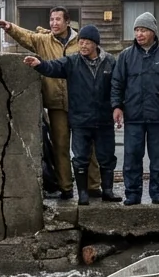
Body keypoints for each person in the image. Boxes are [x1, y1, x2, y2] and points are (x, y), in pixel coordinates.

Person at [0, 8, 99, 200]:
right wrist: (10, 27)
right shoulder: (44, 40)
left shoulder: (81, 42)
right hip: (55, 103)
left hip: (80, 102)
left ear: (67, 22)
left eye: (58, 19)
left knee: (88, 146)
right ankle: (66, 187)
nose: (54, 23)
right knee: (60, 146)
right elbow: (26, 37)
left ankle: (94, 185)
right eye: (51, 19)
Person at [24, 24, 119, 205]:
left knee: (107, 156)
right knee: (80, 157)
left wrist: (118, 107)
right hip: (81, 119)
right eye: (81, 42)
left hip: (104, 119)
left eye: (87, 43)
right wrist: (39, 64)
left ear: (96, 44)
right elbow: (53, 67)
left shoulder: (110, 62)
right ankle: (82, 193)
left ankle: (108, 191)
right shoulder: (72, 61)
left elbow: (117, 87)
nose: (82, 46)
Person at [111, 13, 159, 205]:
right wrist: (117, 106)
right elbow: (117, 83)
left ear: (153, 32)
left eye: (143, 30)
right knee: (132, 156)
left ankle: (158, 192)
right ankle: (132, 194)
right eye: (136, 30)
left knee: (158, 157)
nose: (139, 34)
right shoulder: (126, 56)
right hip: (133, 116)